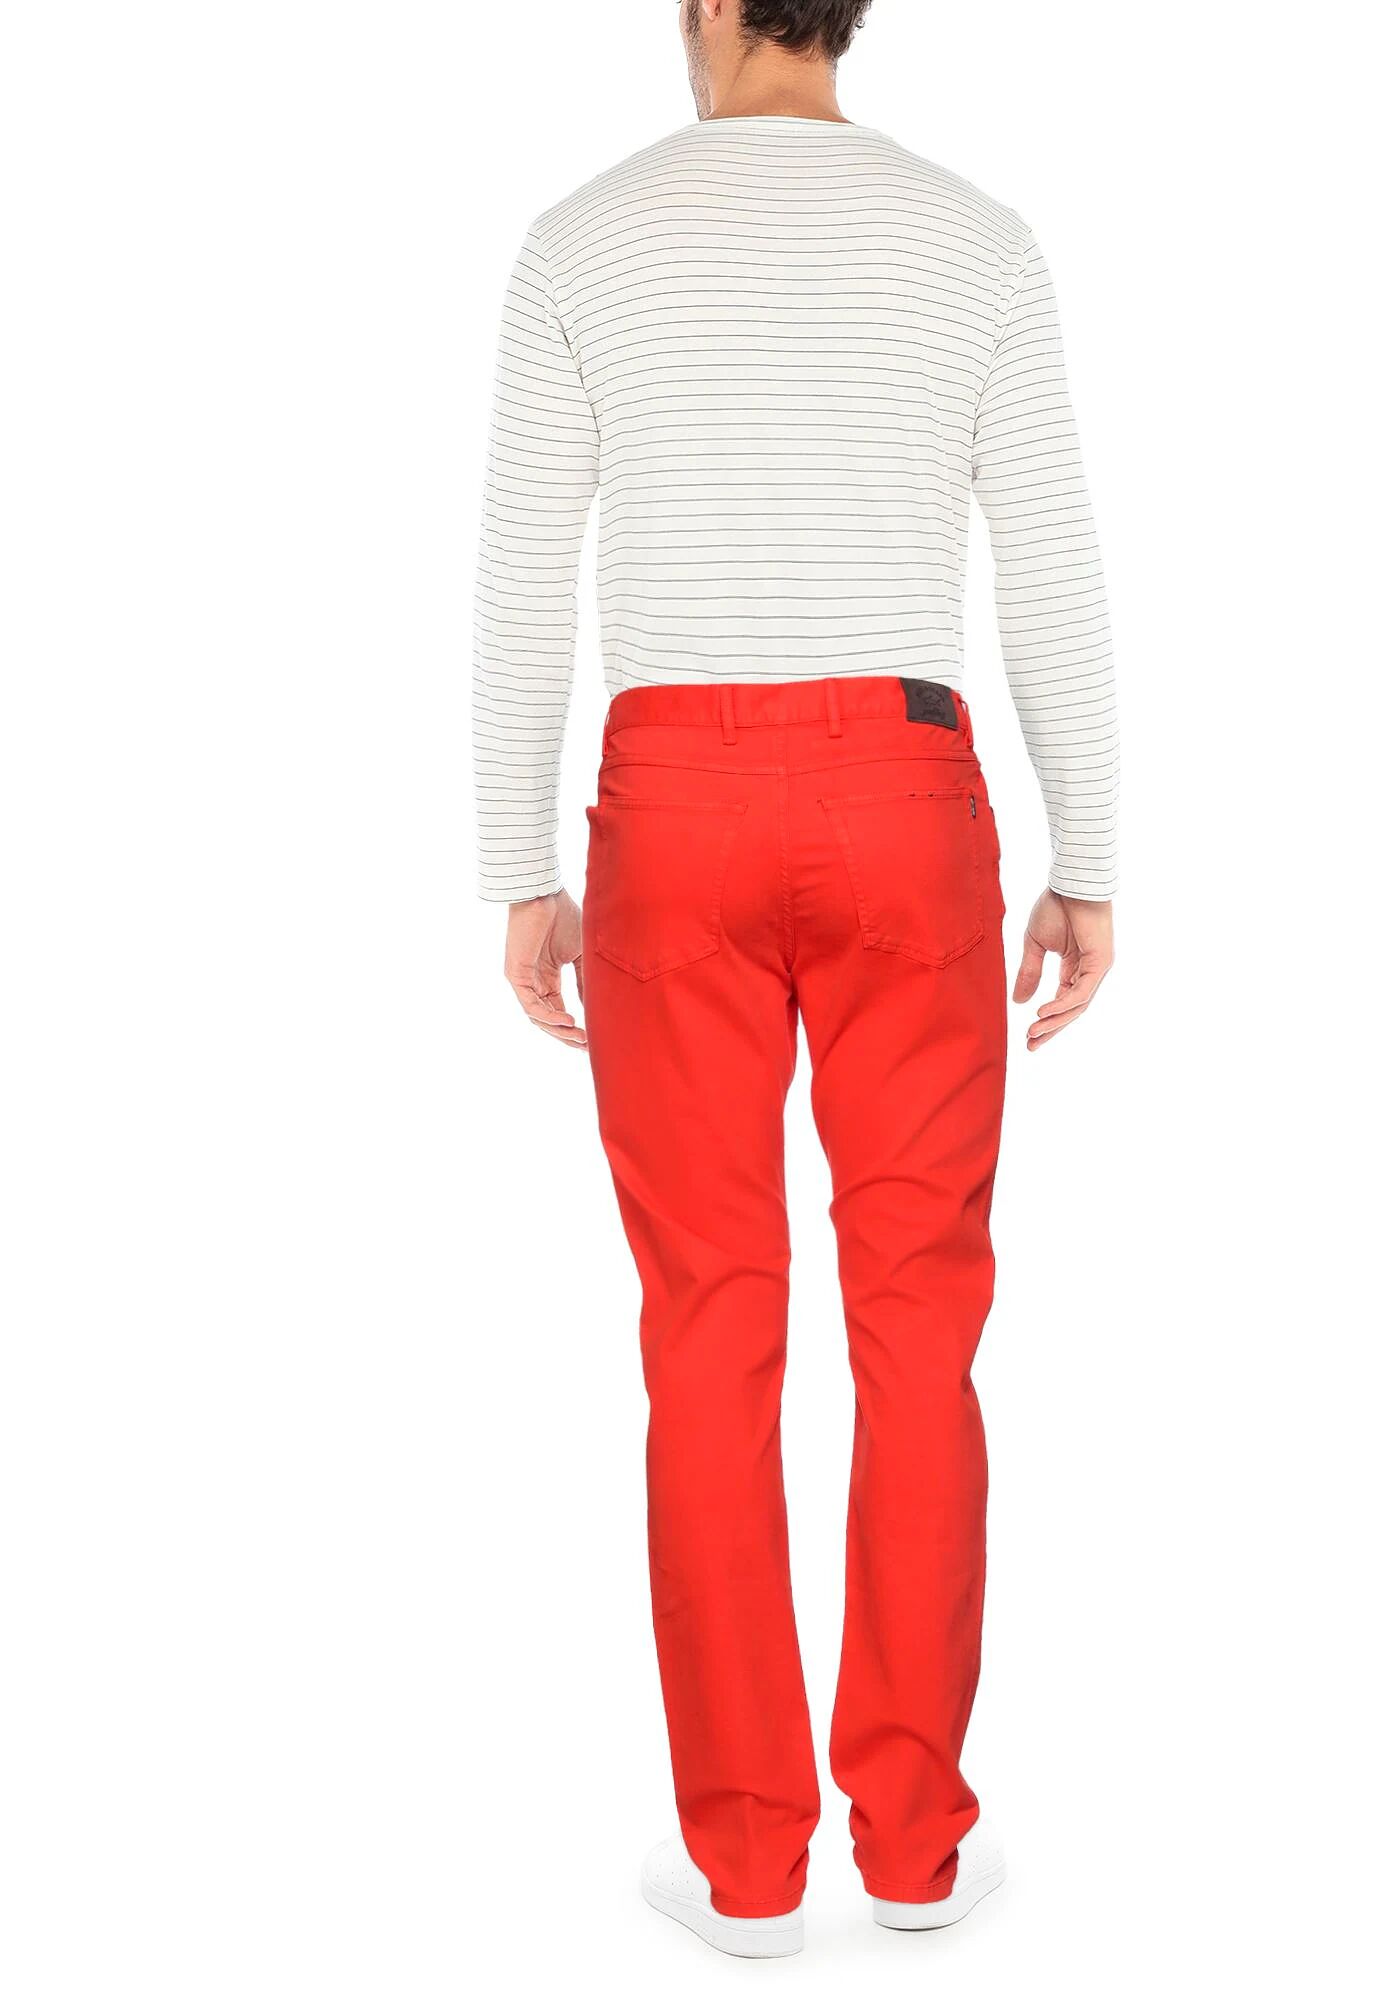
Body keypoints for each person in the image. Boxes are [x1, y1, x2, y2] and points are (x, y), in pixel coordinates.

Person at [474, 0, 1117, 1959]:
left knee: (708, 1327)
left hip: (670, 803)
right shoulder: (977, 239)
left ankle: (748, 1865)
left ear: (702, 5)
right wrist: (1089, 854)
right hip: (907, 794)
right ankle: (913, 1849)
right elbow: (1051, 570)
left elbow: (523, 583)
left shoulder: (582, 240)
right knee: (919, 1325)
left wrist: (518, 869)